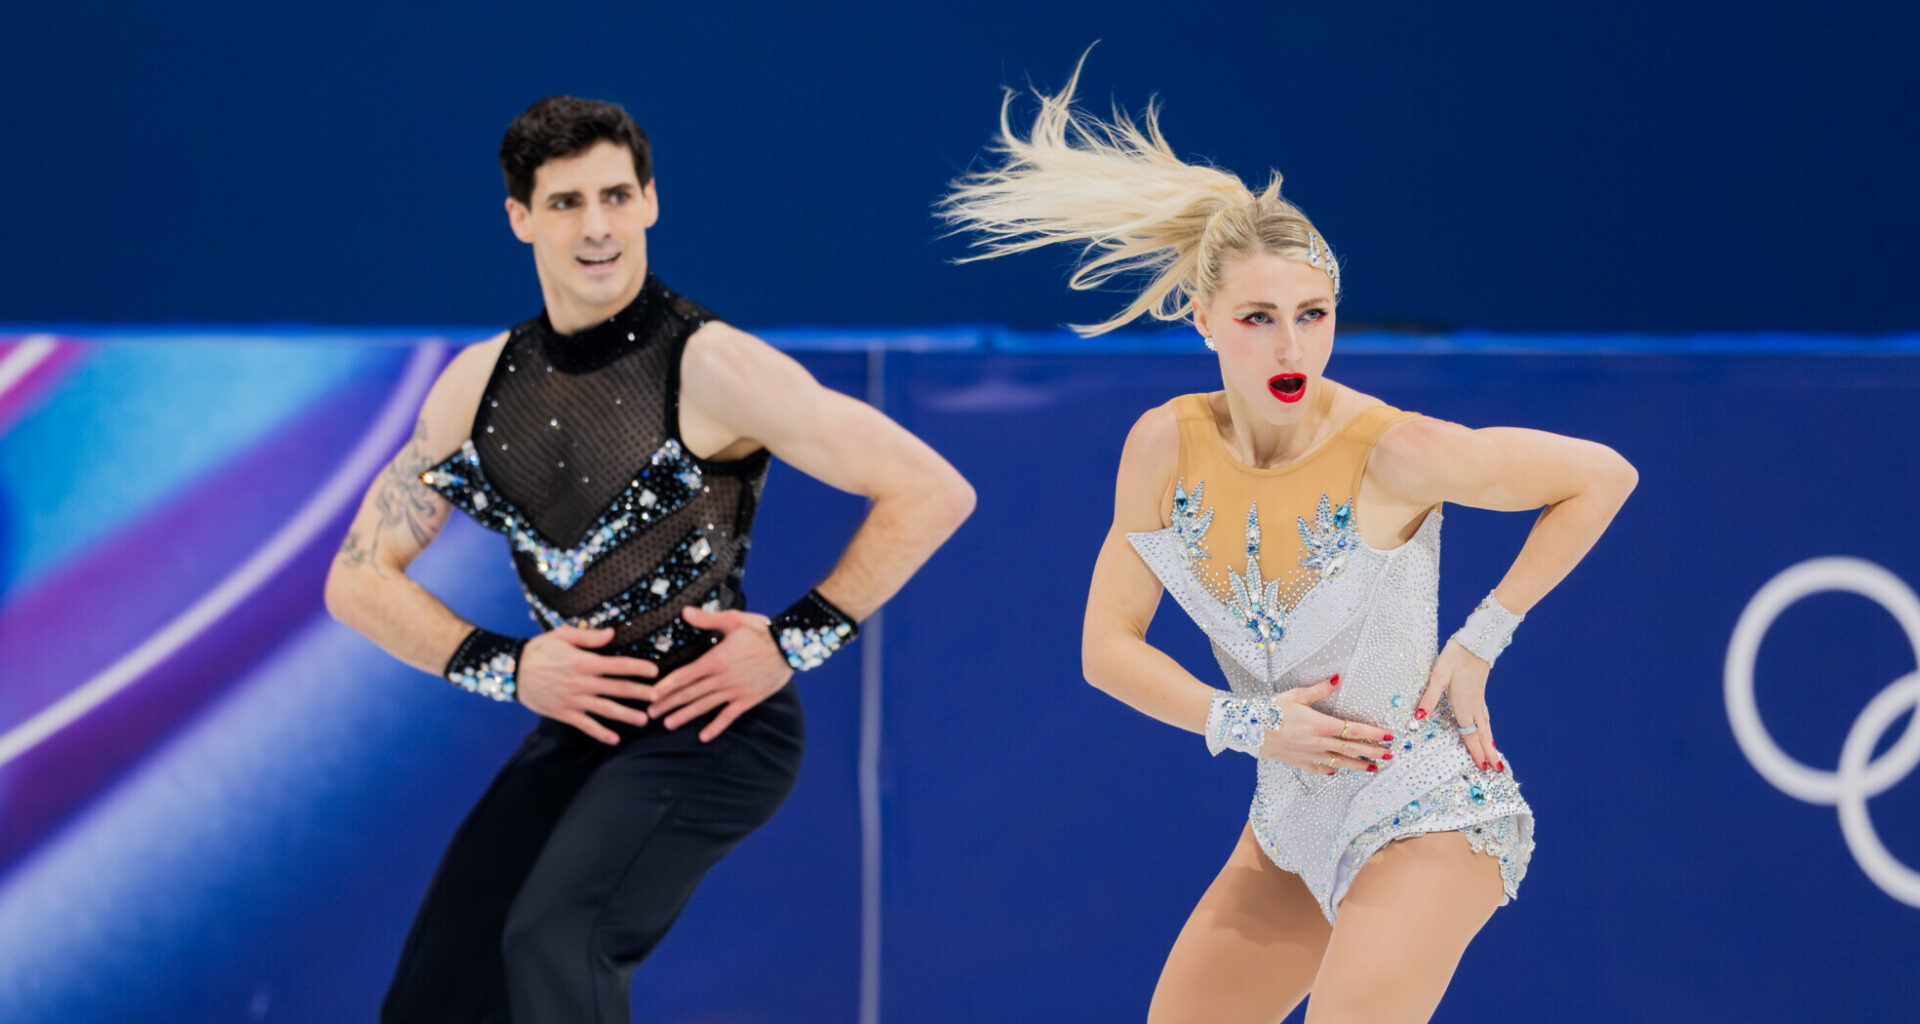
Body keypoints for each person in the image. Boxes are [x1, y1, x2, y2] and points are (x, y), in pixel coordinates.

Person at [942, 61, 1637, 1022]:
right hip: (1285, 826)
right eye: (1260, 320)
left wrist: (1484, 638)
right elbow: (1106, 649)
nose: (1291, 349)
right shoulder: (1162, 446)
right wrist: (1243, 722)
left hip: (1427, 808)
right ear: (1204, 320)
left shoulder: (1398, 451)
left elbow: (1601, 475)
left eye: (1313, 317)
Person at [324, 95, 974, 1024]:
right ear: (520, 218)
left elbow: (932, 489)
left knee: (557, 939)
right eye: (565, 203)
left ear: (650, 202)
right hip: (583, 724)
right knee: (442, 983)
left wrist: (797, 638)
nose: (597, 227)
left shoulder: (713, 366)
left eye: (616, 196)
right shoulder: (476, 387)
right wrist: (507, 668)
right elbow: (355, 578)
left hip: (714, 720)